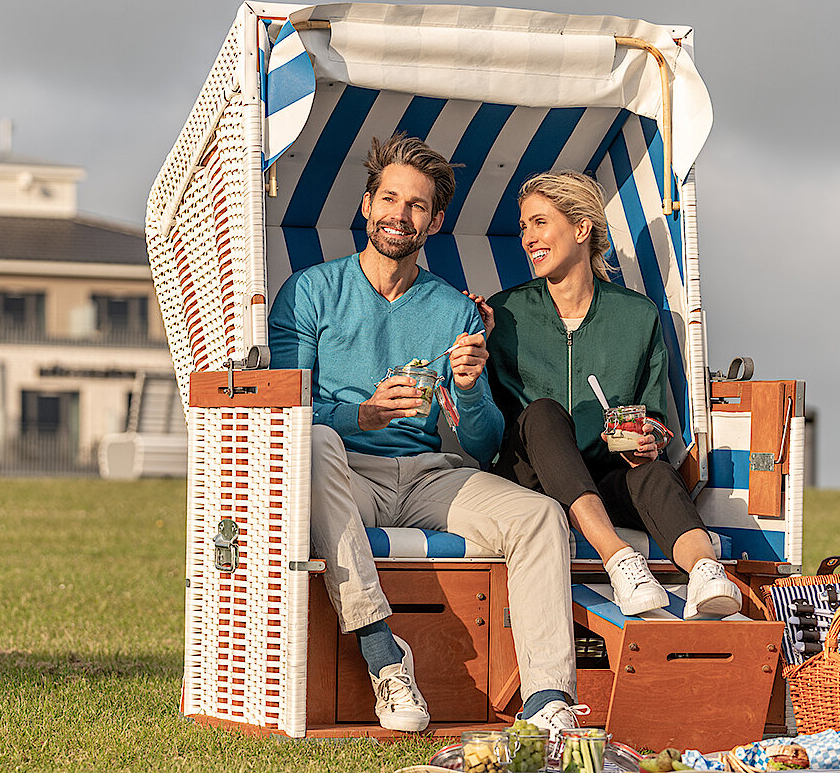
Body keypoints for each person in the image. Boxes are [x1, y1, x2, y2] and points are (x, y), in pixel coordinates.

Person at [269, 134, 581, 735]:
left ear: (434, 222)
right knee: (314, 443)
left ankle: (548, 702)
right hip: (345, 476)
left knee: (540, 515)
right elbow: (286, 413)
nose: (400, 214)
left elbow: (485, 443)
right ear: (367, 205)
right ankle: (384, 652)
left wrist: (469, 387)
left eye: (417, 205)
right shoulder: (310, 292)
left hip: (426, 477)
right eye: (389, 199)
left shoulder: (453, 309)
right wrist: (361, 416)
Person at [468, 170, 742, 620]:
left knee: (656, 475)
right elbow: (481, 412)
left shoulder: (637, 316)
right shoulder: (503, 312)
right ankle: (620, 561)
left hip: (603, 477)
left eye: (539, 222)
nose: (527, 238)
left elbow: (652, 415)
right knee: (543, 413)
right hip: (527, 483)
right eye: (524, 226)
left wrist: (649, 439)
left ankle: (707, 575)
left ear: (581, 228)